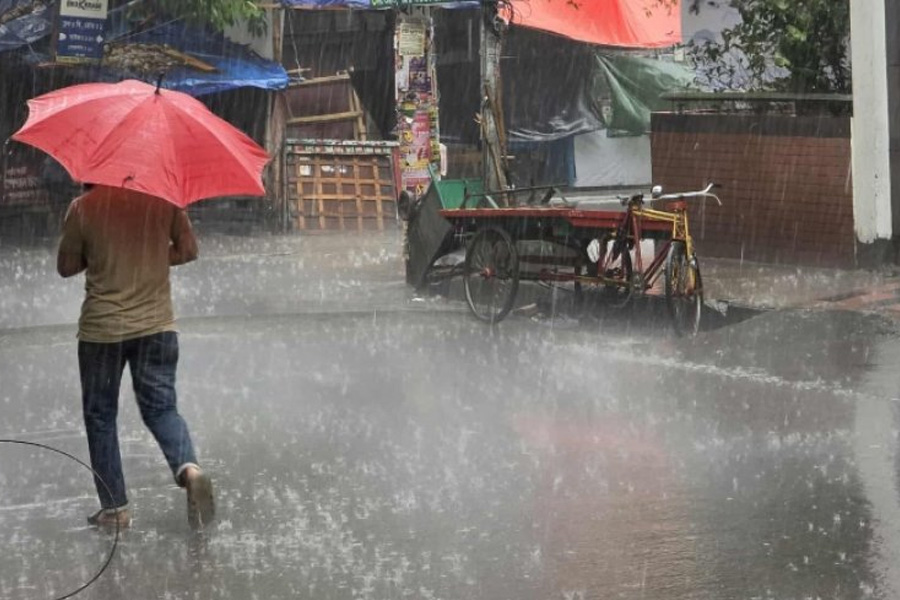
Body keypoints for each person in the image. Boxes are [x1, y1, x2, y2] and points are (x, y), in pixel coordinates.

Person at [57, 184, 214, 529]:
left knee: (101, 416)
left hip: (103, 332)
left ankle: (115, 509)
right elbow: (188, 250)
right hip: (156, 327)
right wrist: (152, 257)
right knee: (162, 409)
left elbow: (66, 266)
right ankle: (189, 469)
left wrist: (100, 255)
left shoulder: (83, 207)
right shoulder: (165, 201)